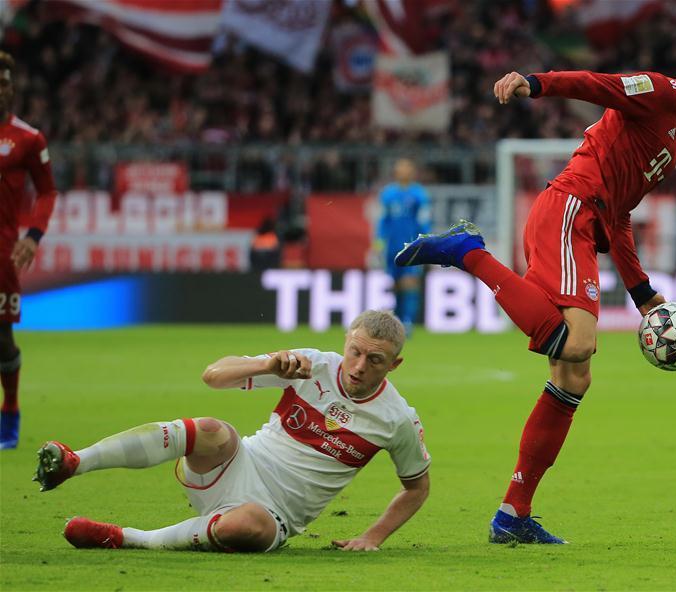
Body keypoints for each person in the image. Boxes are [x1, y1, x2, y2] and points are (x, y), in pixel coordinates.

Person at [396, 27, 676, 544]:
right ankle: (468, 252)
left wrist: (642, 294)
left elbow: (621, 214)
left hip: (586, 222)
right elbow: (598, 84)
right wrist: (535, 83)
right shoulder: (660, 93)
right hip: (570, 211)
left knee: (573, 378)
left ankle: (513, 514)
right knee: (577, 343)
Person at [33, 310, 431, 552]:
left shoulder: (397, 419)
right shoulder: (311, 365)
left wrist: (373, 536)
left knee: (245, 526)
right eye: (355, 352)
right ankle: (75, 461)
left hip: (274, 515)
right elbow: (213, 376)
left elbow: (417, 487)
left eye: (375, 360)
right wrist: (267, 366)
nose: (359, 366)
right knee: (212, 428)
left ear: (394, 365)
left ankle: (125, 537)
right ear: (345, 342)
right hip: (237, 466)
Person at [0, 51, 58, 450]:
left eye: (4, 83)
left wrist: (33, 235)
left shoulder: (28, 138)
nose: (0, 90)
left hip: (2, 252)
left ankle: (10, 411)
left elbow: (48, 191)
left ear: (12, 88)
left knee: (2, 339)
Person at [374, 158, 431, 335]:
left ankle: (407, 322)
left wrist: (426, 243)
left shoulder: (419, 194)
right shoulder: (388, 194)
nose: (403, 171)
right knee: (396, 285)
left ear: (412, 172)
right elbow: (383, 220)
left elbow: (424, 221)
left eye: (407, 168)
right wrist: (378, 243)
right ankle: (398, 321)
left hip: (412, 246)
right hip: (392, 247)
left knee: (410, 282)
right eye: (400, 168)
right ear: (396, 172)